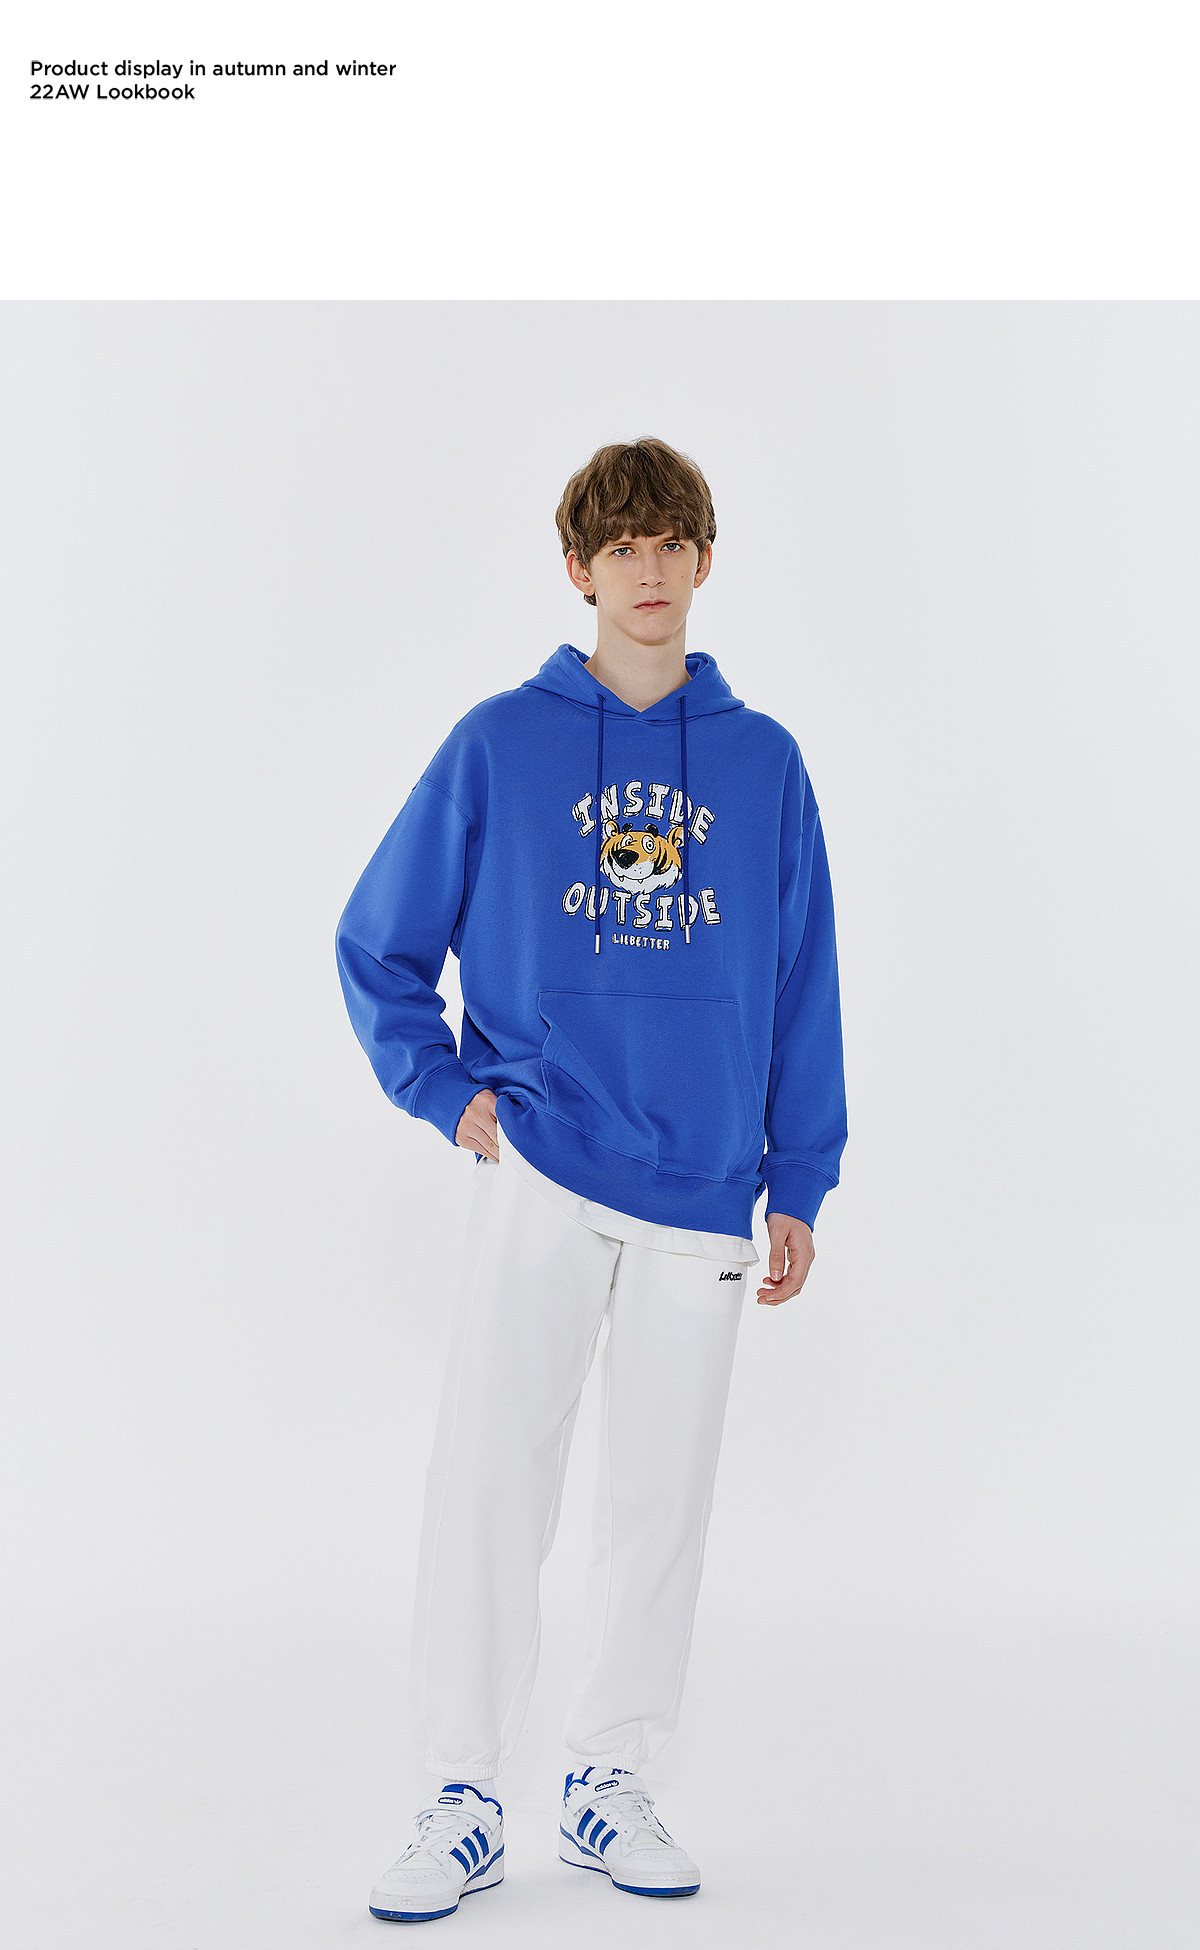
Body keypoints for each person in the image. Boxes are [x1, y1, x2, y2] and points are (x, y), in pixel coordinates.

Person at [335, 436, 848, 1921]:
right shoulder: (502, 743)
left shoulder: (763, 763)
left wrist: (799, 1175)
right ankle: (461, 1794)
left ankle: (608, 1780)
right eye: (618, 544)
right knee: (493, 1478)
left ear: (705, 560)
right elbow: (377, 941)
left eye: (669, 540)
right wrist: (449, 1094)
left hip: (705, 1186)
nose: (646, 567)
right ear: (578, 568)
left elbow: (803, 979)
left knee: (660, 1502)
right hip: (545, 1162)